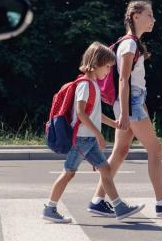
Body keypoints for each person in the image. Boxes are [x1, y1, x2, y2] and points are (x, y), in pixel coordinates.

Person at [88, 0, 162, 217]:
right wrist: (126, 113)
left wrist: (137, 107)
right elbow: (123, 80)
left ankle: (97, 201)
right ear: (136, 16)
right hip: (129, 103)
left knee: (120, 151)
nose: (153, 20)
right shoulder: (130, 44)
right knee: (155, 149)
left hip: (132, 102)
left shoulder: (132, 44)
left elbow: (134, 83)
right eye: (149, 15)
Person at [42, 42, 144, 223]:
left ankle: (119, 207)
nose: (108, 72)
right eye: (107, 67)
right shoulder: (85, 85)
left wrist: (113, 123)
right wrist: (98, 134)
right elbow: (81, 112)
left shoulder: (93, 85)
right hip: (81, 139)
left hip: (87, 139)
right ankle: (50, 208)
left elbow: (94, 113)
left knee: (105, 169)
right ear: (96, 64)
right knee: (69, 172)